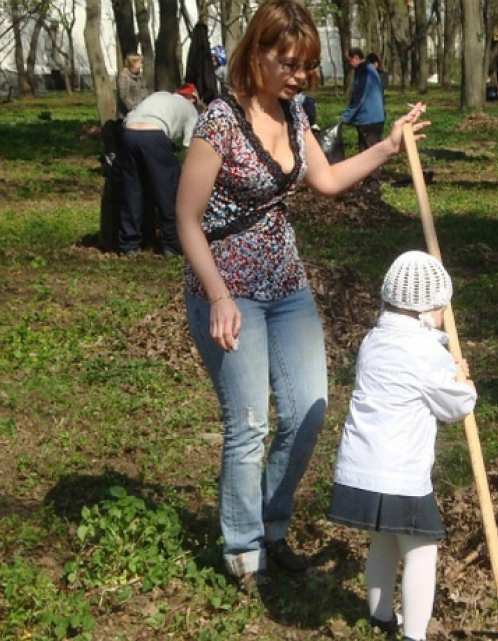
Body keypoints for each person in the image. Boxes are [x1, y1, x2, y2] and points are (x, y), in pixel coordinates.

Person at [175, 0, 429, 595]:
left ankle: (271, 524)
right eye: (288, 63)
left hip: (287, 286)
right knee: (246, 425)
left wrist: (389, 146)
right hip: (227, 288)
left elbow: (328, 180)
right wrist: (217, 296)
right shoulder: (218, 121)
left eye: (307, 67)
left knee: (310, 408)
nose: (299, 76)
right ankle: (242, 550)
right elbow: (184, 219)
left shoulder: (295, 117)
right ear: (257, 54)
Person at [328, 251, 477, 641]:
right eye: (443, 310)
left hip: (359, 468)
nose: (445, 317)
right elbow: (455, 406)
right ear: (428, 312)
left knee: (383, 538)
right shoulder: (428, 354)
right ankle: (415, 636)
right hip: (401, 474)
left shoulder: (373, 340)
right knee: (422, 551)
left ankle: (379, 616)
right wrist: (462, 380)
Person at [118, 83, 199, 256]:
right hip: (154, 134)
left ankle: (129, 243)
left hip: (129, 133)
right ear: (192, 99)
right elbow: (188, 144)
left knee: (132, 189)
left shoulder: (160, 95)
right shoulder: (190, 110)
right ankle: (171, 243)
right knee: (167, 191)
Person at [340, 47, 386, 192]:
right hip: (369, 118)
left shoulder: (365, 72)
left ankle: (373, 184)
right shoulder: (366, 70)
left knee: (370, 152)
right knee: (365, 152)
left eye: (349, 62)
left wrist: (346, 117)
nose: (349, 65)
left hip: (370, 119)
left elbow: (359, 97)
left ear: (355, 57)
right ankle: (368, 183)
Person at [117, 53, 149, 119]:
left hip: (142, 113)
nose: (141, 65)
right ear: (133, 64)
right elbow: (123, 97)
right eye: (140, 63)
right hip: (128, 115)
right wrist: (134, 109)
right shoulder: (124, 77)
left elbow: (144, 92)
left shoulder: (140, 77)